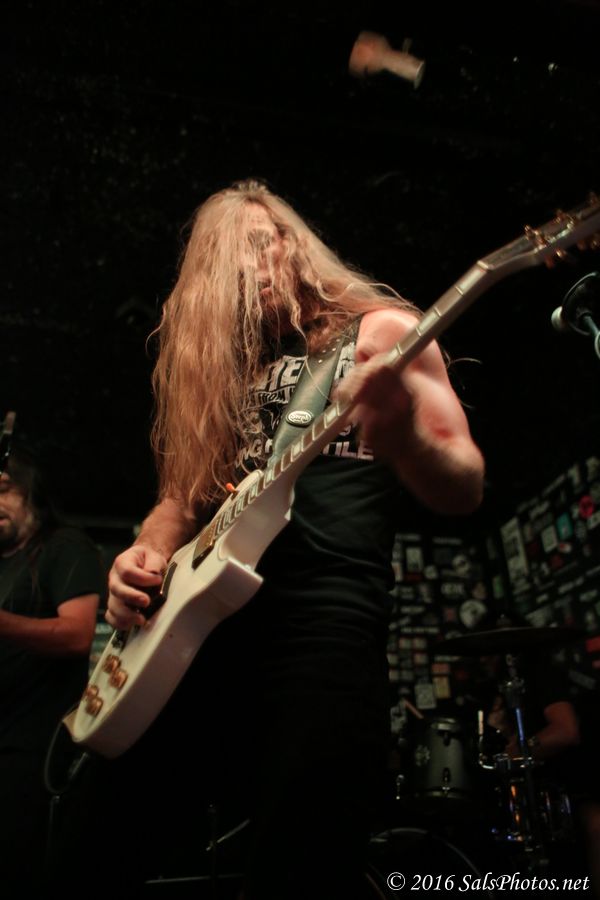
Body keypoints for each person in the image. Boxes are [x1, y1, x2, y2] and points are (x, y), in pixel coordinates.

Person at [56, 179, 484, 899]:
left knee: (301, 864)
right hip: (200, 636)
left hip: (323, 631)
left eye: (261, 244)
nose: (252, 267)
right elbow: (176, 501)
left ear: (294, 245)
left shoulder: (380, 333)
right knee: (89, 841)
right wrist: (146, 551)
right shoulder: (217, 379)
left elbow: (464, 484)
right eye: (229, 262)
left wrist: (405, 432)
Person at [0, 447, 103, 890]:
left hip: (31, 747)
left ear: (33, 494)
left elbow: (78, 635)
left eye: (5, 490)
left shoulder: (64, 546)